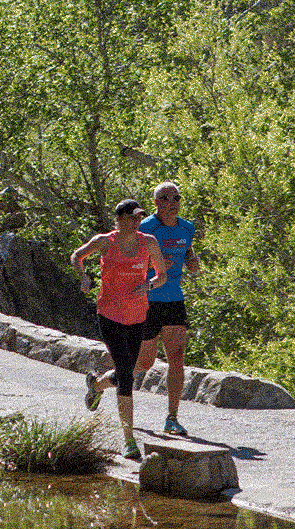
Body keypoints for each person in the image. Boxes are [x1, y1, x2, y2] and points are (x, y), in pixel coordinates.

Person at [70, 198, 168, 460]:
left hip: (137, 315)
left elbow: (162, 276)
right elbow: (77, 256)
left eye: (139, 217)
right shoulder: (104, 242)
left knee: (127, 369)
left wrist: (147, 286)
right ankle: (129, 440)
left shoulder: (149, 242)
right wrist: (84, 277)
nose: (137, 221)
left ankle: (96, 385)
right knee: (126, 374)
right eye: (132, 217)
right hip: (110, 314)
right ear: (120, 219)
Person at [135, 181, 201, 436]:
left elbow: (187, 251)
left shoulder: (187, 227)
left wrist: (191, 261)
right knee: (144, 363)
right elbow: (131, 261)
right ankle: (100, 383)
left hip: (174, 299)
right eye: (165, 198)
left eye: (176, 197)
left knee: (177, 357)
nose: (172, 202)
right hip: (147, 301)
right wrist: (156, 265)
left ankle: (172, 418)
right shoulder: (145, 228)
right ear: (156, 203)